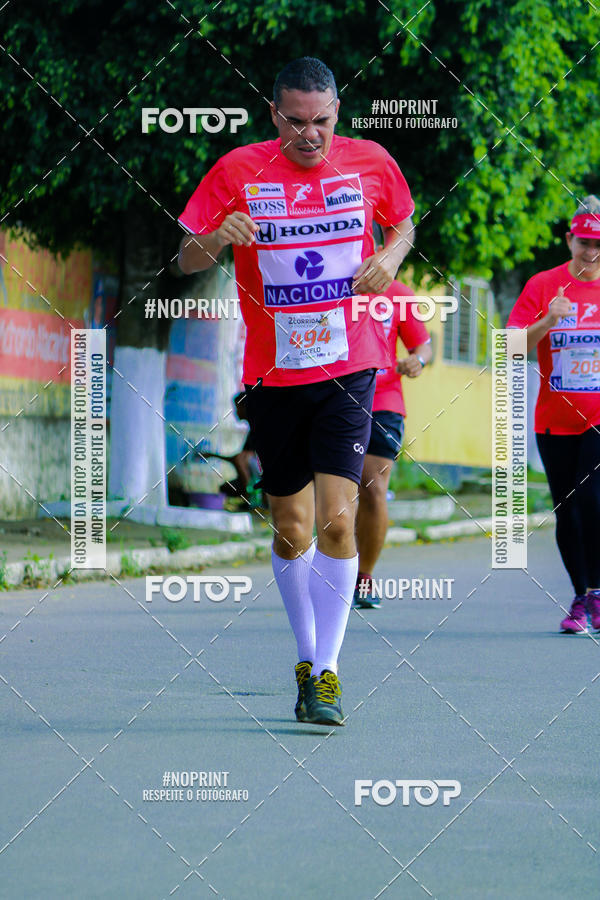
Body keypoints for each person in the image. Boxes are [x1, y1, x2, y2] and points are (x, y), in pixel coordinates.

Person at [178, 57, 415, 724]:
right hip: (274, 373)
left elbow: (404, 221)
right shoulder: (237, 169)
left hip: (352, 363)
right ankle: (306, 658)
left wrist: (391, 257)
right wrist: (215, 239)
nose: (310, 136)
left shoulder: (370, 161)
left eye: (323, 122)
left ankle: (330, 673)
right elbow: (187, 256)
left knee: (338, 517)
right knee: (291, 527)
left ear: (338, 112)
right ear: (273, 112)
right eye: (297, 122)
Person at [507, 195, 600, 634]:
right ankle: (582, 598)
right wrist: (547, 321)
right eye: (585, 242)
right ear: (569, 240)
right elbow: (509, 347)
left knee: (592, 500)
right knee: (568, 510)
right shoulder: (544, 285)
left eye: (599, 243)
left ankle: (597, 593)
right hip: (554, 419)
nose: (592, 252)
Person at [353, 274, 432, 609]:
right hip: (330, 399)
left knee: (371, 488)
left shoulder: (397, 293)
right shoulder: (324, 285)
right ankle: (330, 567)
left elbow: (423, 346)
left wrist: (419, 360)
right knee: (329, 491)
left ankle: (363, 577)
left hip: (383, 400)